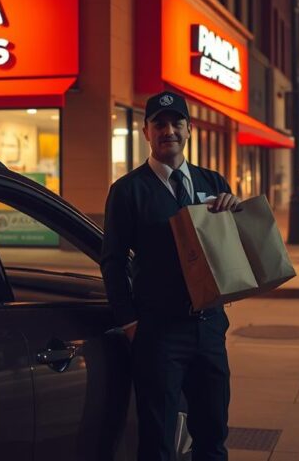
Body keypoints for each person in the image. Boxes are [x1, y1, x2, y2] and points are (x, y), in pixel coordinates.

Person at [100, 90, 241, 461]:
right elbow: (112, 262)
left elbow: (230, 254)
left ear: (189, 129)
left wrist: (235, 212)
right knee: (158, 441)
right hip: (159, 334)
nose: (169, 131)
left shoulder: (213, 182)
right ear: (146, 132)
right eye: (159, 124)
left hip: (209, 328)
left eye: (176, 123)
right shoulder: (128, 190)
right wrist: (130, 322)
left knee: (212, 437)